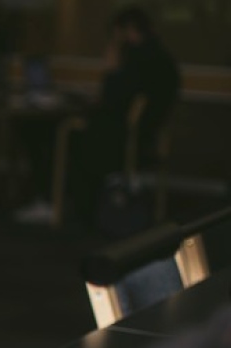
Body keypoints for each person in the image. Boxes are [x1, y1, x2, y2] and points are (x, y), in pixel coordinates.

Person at [14, 5, 180, 230]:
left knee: (45, 133)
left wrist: (112, 66)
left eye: (115, 35)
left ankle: (48, 201)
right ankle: (53, 202)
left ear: (126, 31)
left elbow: (111, 101)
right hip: (141, 138)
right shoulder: (163, 60)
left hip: (117, 140)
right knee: (56, 130)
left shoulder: (138, 60)